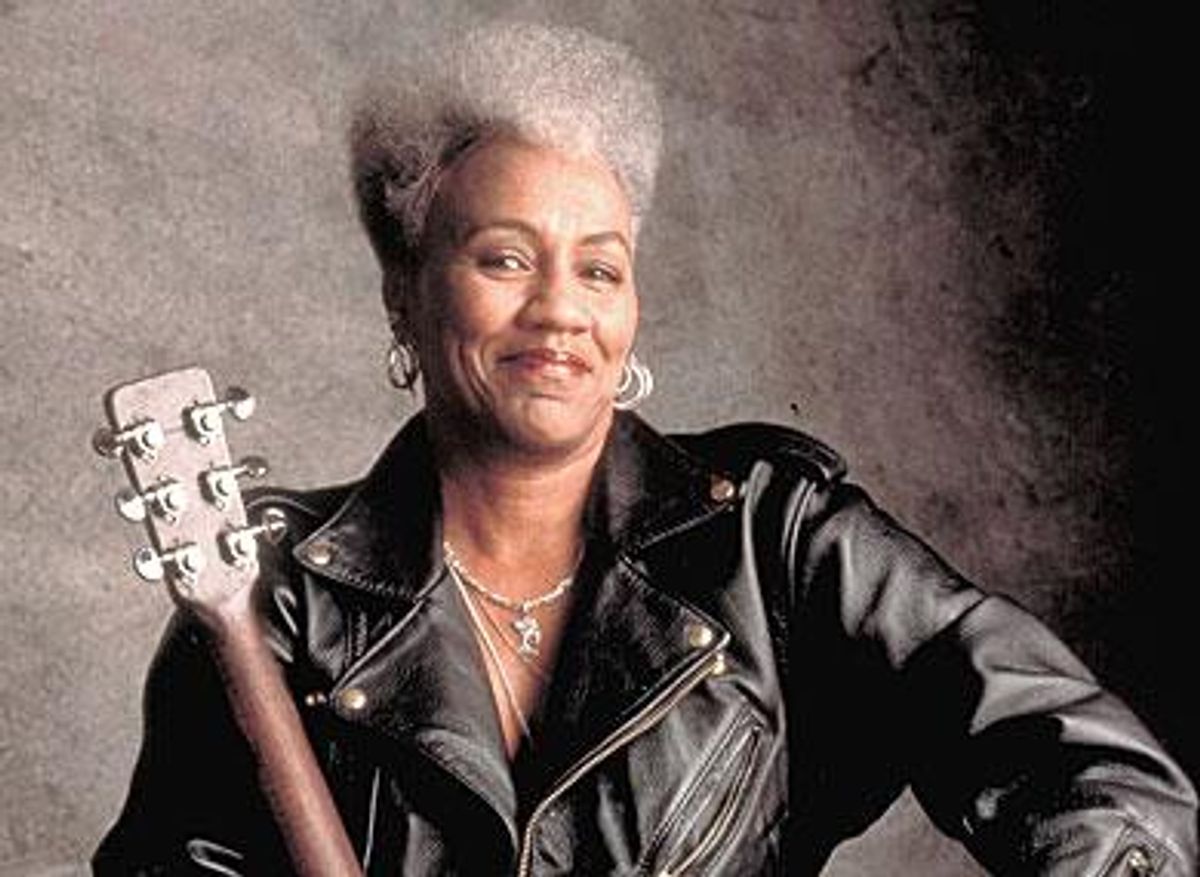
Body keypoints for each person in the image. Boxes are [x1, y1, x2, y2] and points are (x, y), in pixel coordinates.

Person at [93, 23, 1197, 876]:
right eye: (505, 258)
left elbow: (1100, 780)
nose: (560, 310)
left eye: (600, 268)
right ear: (404, 296)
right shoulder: (279, 606)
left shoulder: (773, 544)